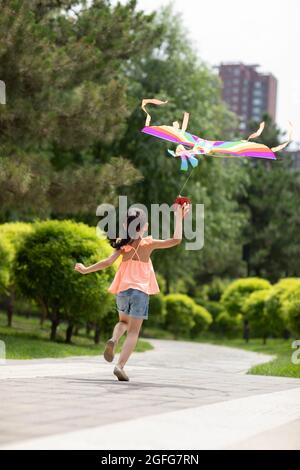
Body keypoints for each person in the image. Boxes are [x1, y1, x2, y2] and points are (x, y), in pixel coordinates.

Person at [75, 203, 190, 381]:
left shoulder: (122, 246)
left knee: (122, 322)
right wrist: (178, 217)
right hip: (140, 293)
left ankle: (113, 339)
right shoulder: (148, 244)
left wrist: (84, 269)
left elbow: (106, 263)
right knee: (134, 332)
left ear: (125, 226)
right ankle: (120, 366)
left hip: (123, 291)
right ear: (144, 227)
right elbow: (176, 240)